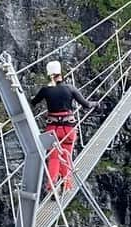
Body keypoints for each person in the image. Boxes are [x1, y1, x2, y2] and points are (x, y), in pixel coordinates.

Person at [31, 61, 97, 192]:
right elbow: (87, 105)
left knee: (54, 157)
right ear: (61, 73)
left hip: (52, 129)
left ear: (49, 74)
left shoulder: (45, 90)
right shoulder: (70, 88)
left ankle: (52, 185)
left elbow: (33, 102)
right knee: (66, 155)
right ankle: (66, 184)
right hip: (68, 129)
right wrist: (96, 104)